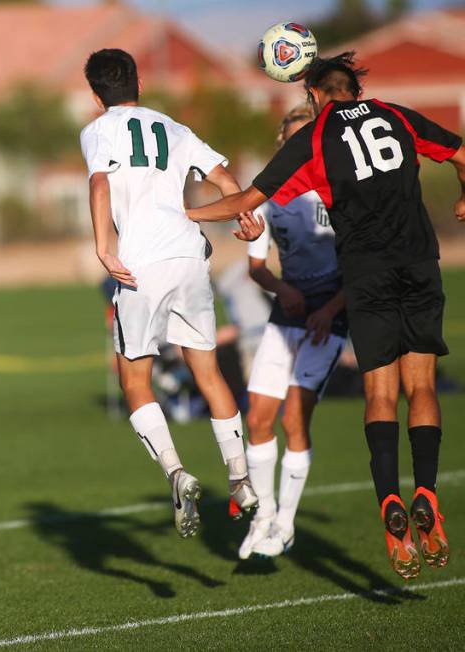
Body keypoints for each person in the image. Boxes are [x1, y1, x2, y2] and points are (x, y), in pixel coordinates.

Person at [187, 52, 465, 579]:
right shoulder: (399, 116)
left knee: (380, 393)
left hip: (365, 275)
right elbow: (461, 153)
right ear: (355, 89)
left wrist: (182, 214)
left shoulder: (313, 140)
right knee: (422, 386)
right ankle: (426, 488)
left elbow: (244, 199)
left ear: (314, 96)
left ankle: (389, 502)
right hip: (419, 263)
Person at [80, 48, 264, 538]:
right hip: (190, 258)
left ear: (97, 95)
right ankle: (241, 478)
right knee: (206, 369)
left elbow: (100, 183)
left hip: (140, 266)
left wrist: (103, 246)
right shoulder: (175, 129)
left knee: (134, 379)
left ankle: (176, 472)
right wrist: (245, 216)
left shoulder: (98, 130)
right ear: (139, 83)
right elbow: (226, 181)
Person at [238, 104, 348, 560]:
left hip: (334, 311)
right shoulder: (270, 196)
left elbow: (365, 266)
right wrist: (282, 289)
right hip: (289, 312)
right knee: (258, 418)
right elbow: (257, 268)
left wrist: (331, 308)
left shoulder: (343, 192)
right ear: (282, 145)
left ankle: (285, 523)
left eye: (312, 138)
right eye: (295, 140)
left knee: (293, 419)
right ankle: (263, 515)